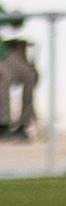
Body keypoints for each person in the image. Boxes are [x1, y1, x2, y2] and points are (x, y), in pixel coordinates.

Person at [0, 10, 36, 142]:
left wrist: (16, 17)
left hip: (2, 51)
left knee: (29, 75)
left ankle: (23, 124)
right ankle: (3, 124)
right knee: (5, 76)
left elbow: (13, 23)